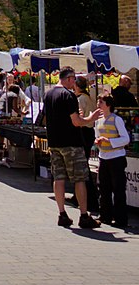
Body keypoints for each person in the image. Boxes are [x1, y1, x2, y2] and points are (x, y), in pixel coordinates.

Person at [43, 66, 100, 229]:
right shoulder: (68, 96)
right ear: (68, 78)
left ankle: (62, 213)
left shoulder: (49, 94)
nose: (75, 82)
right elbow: (76, 122)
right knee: (79, 178)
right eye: (73, 78)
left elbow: (49, 118)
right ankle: (83, 215)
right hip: (71, 143)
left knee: (58, 178)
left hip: (54, 142)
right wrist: (91, 117)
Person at [94, 93, 130, 228]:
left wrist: (109, 141)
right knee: (103, 188)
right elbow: (97, 135)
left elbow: (125, 139)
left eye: (101, 102)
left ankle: (121, 219)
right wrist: (97, 141)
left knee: (118, 189)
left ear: (108, 104)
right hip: (103, 157)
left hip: (116, 158)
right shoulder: (98, 120)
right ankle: (105, 216)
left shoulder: (116, 119)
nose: (99, 104)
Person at [74, 75, 98, 212]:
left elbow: (79, 118)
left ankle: (89, 199)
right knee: (84, 165)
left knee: (83, 167)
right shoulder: (89, 98)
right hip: (89, 132)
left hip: (84, 132)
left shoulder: (81, 99)